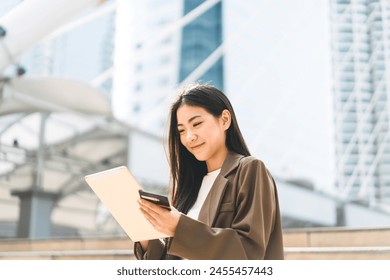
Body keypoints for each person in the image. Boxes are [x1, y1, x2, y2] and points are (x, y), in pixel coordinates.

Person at [134, 83, 284, 260]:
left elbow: (249, 252)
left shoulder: (249, 170)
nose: (189, 137)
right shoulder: (188, 187)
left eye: (197, 124)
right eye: (181, 131)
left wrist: (179, 227)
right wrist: (145, 235)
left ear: (225, 119)